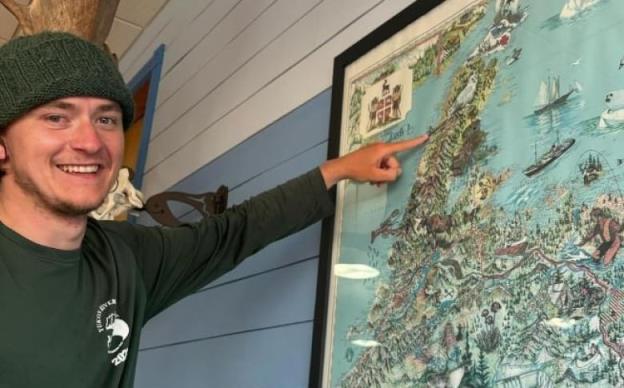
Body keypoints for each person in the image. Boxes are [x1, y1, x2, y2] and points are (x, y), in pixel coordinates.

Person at [0, 32, 429, 387]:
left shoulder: (123, 258)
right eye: (56, 117)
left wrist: (339, 169)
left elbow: (233, 233)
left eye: (107, 119)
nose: (90, 142)